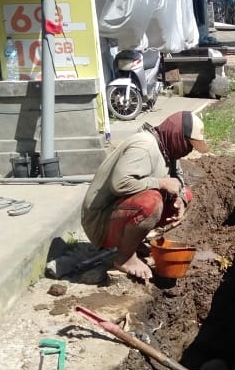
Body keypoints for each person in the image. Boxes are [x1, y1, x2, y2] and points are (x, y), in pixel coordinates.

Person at [81, 110, 209, 282]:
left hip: (119, 212)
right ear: (177, 135)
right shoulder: (145, 145)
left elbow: (178, 181)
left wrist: (181, 199)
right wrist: (162, 183)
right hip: (100, 222)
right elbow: (120, 184)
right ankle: (125, 258)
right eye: (188, 145)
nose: (188, 151)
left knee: (185, 194)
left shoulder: (168, 149)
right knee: (151, 202)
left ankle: (133, 241)